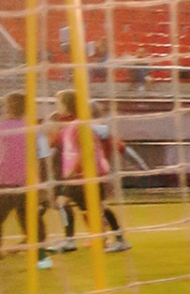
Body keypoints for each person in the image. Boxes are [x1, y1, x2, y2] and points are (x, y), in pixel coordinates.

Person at [47, 91, 131, 254]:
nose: (58, 107)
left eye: (60, 104)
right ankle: (72, 241)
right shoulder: (72, 126)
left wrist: (73, 169)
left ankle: (119, 240)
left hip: (88, 176)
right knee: (66, 204)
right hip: (78, 177)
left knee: (97, 208)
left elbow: (88, 149)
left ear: (67, 105)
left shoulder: (80, 126)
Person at [0, 92, 51, 269]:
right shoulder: (34, 130)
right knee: (31, 219)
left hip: (2, 182)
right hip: (26, 182)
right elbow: (43, 156)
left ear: (6, 108)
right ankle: (41, 258)